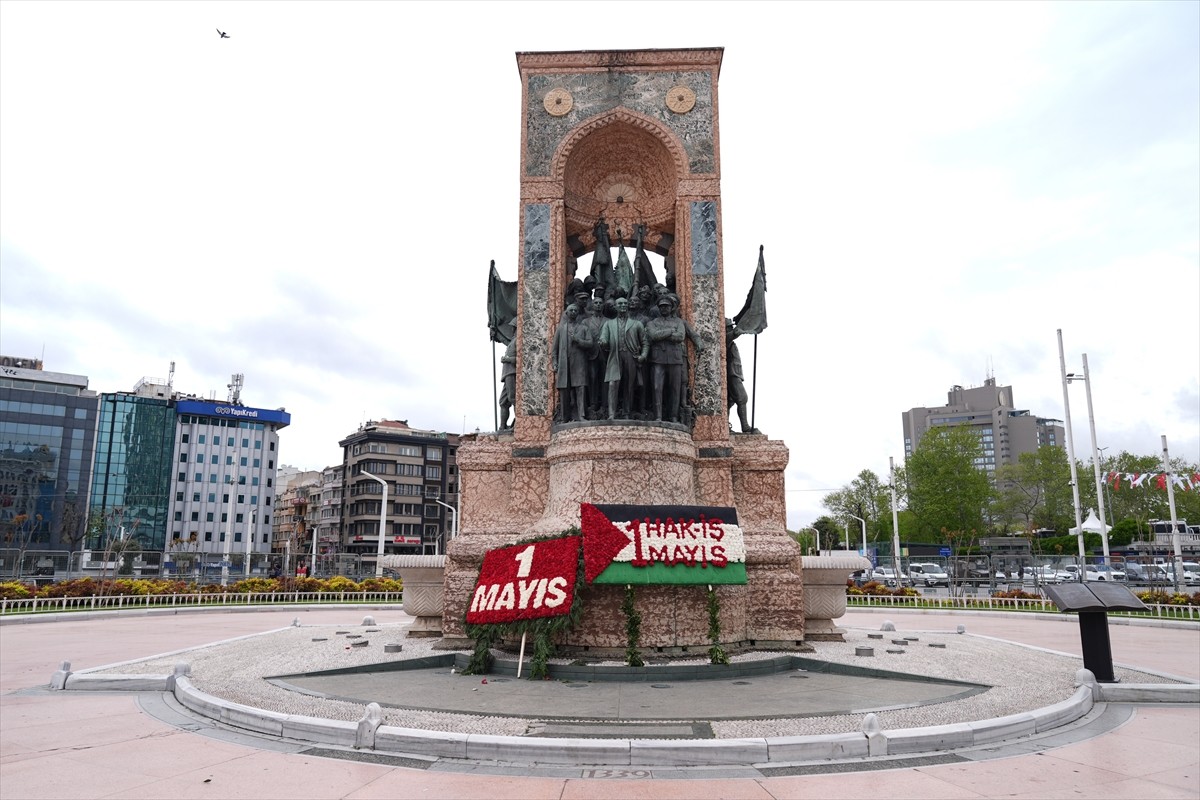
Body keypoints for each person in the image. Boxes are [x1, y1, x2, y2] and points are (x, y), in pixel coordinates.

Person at [598, 297, 648, 420]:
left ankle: (626, 413)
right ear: (615, 307)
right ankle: (611, 414)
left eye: (625, 303)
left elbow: (645, 342)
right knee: (612, 384)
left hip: (631, 356)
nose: (623, 305)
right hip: (615, 355)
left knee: (629, 385)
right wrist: (603, 342)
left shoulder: (636, 324)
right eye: (620, 304)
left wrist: (643, 355)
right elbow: (603, 338)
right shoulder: (608, 324)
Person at [645, 296, 686, 422]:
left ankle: (674, 416)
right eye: (661, 306)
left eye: (666, 306)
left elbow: (680, 336)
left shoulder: (679, 322)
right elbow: (653, 335)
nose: (664, 308)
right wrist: (670, 331)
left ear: (671, 308)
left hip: (675, 359)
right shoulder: (652, 323)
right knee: (657, 388)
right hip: (658, 359)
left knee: (675, 389)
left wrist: (662, 334)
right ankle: (658, 416)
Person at [551, 304, 592, 422]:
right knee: (564, 390)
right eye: (571, 310)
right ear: (567, 313)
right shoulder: (561, 329)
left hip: (579, 363)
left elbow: (590, 343)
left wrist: (578, 340)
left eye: (575, 310)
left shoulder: (583, 328)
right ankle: (565, 417)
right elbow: (554, 349)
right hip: (564, 364)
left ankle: (582, 415)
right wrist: (555, 363)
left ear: (578, 313)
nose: (573, 312)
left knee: (580, 388)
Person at [725, 317, 757, 433]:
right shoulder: (725, 340)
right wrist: (737, 330)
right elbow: (732, 335)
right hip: (732, 374)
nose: (730, 330)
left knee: (730, 401)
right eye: (728, 328)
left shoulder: (731, 343)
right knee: (742, 398)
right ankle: (745, 426)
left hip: (735, 373)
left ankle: (725, 425)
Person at [498, 331, 517, 429]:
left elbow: (522, 358)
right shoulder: (512, 341)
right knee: (503, 402)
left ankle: (518, 424)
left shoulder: (518, 340)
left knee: (513, 399)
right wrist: (495, 333)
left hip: (512, 373)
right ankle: (502, 426)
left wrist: (507, 360)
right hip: (507, 374)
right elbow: (503, 338)